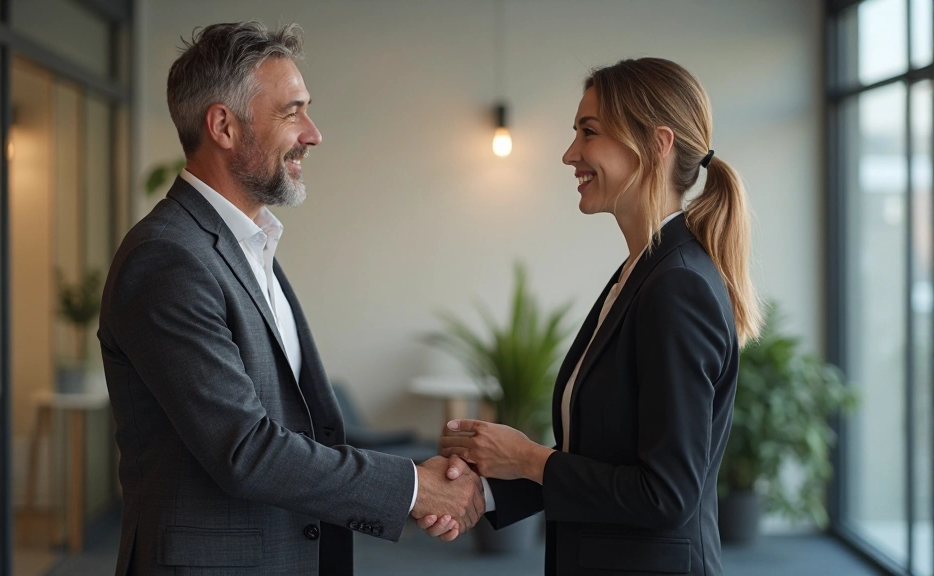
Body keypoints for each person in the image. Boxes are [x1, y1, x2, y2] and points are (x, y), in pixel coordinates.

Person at [98, 21, 482, 576]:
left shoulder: (248, 245)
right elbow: (246, 449)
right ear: (223, 126)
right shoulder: (168, 258)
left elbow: (298, 429)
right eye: (291, 112)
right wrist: (412, 489)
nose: (314, 133)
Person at [425, 57, 763, 575]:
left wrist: (526, 457)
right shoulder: (642, 272)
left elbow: (665, 495)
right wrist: (485, 492)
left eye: (589, 132)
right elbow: (602, 460)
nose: (570, 154)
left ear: (657, 143)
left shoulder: (677, 287)